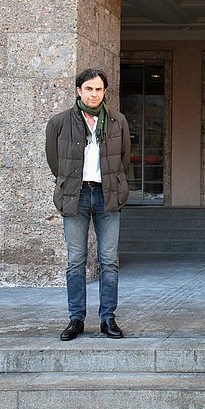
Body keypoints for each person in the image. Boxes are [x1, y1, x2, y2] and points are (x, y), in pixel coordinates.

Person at [45, 68, 131, 341]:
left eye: (99, 89)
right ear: (79, 91)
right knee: (76, 261)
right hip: (76, 195)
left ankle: (108, 318)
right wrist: (71, 182)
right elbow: (54, 161)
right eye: (89, 89)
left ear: (105, 92)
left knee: (109, 261)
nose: (94, 94)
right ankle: (76, 319)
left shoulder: (118, 121)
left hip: (107, 196)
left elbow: (124, 158)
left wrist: (112, 183)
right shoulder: (59, 122)